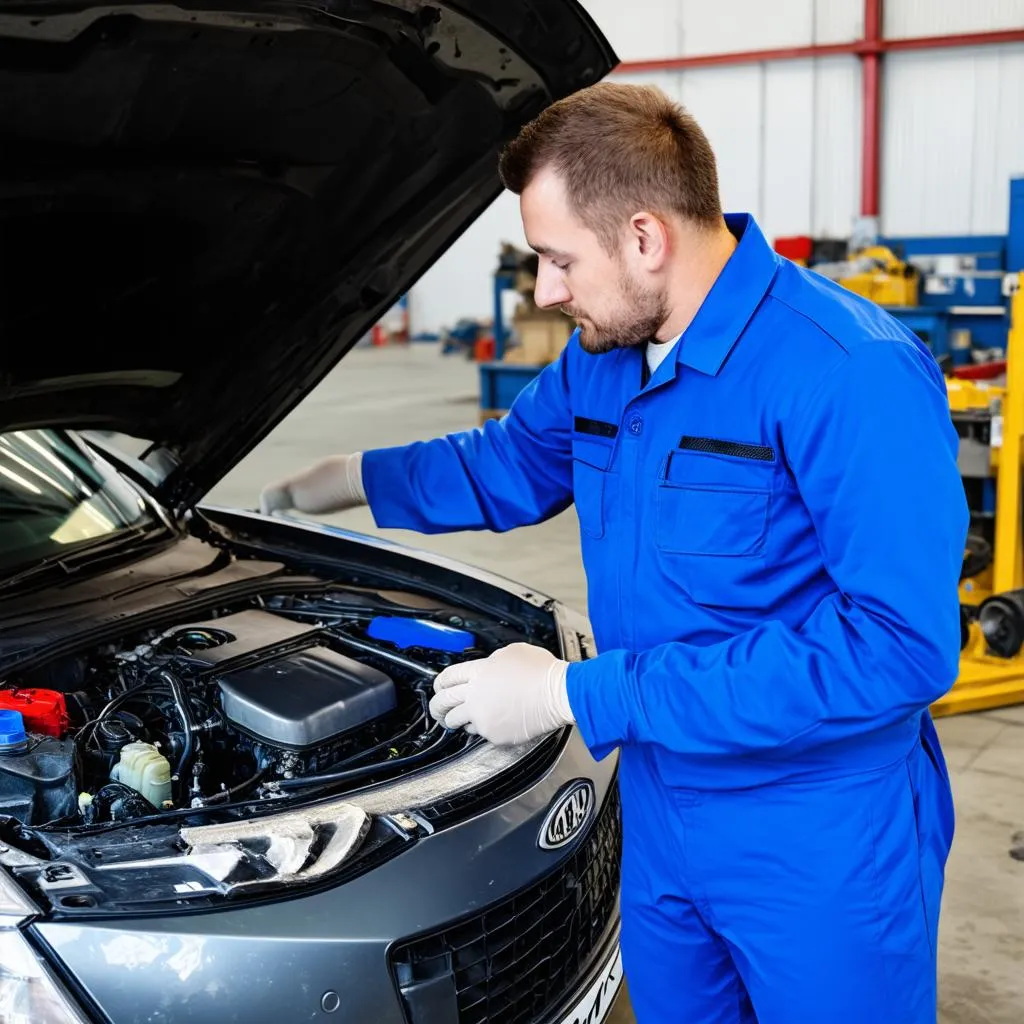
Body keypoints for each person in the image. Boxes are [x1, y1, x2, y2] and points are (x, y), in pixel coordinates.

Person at [259, 83, 968, 1024]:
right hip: (661, 806)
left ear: (644, 238)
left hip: (819, 829)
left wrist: (574, 694)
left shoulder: (846, 371)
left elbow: (896, 648)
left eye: (557, 260)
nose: (545, 292)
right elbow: (509, 463)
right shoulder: (606, 353)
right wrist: (352, 477)